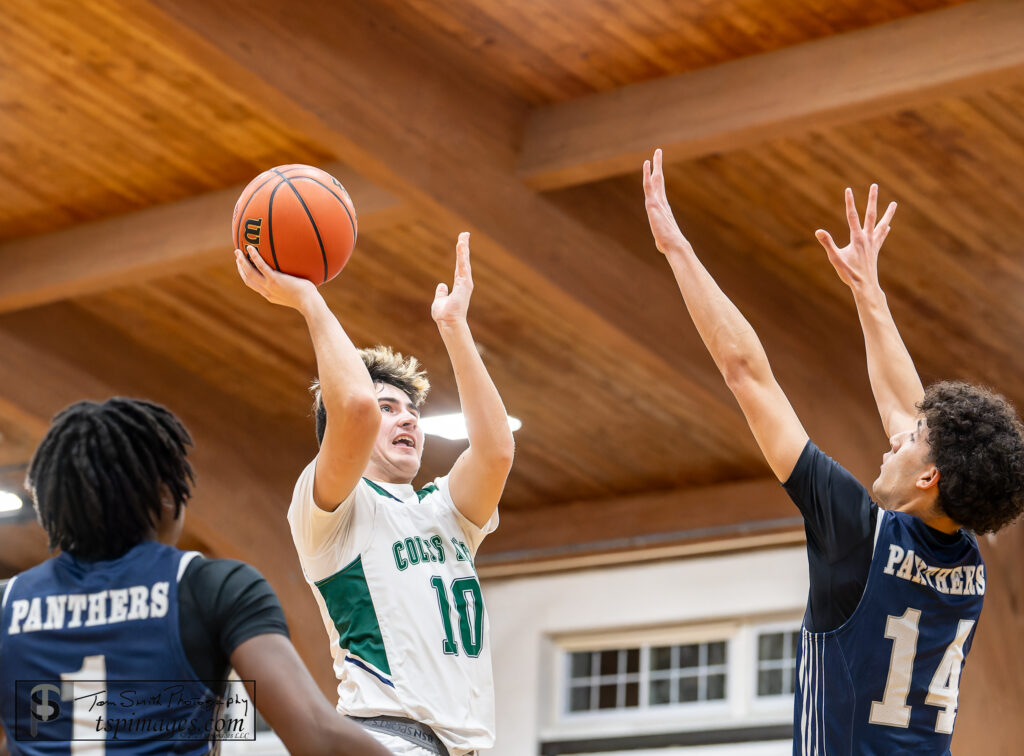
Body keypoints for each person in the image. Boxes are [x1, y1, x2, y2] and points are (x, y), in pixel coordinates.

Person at [642, 150, 1024, 755]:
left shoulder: (859, 536)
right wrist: (867, 291)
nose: (895, 434)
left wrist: (676, 249)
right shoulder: (967, 564)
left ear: (929, 475)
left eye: (912, 439)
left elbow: (746, 373)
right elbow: (910, 413)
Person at [234, 232, 515, 756]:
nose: (406, 416)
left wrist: (455, 328)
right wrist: (308, 299)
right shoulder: (332, 509)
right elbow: (356, 409)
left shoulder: (444, 511)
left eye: (411, 411)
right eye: (390, 408)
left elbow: (497, 450)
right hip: (387, 738)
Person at [0, 397, 391, 756]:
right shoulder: (210, 586)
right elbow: (317, 737)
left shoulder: (6, 602)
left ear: (49, 502)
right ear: (167, 495)